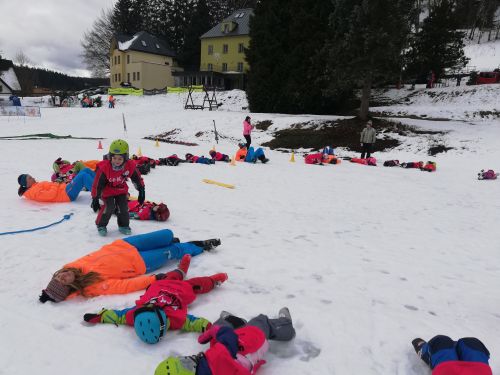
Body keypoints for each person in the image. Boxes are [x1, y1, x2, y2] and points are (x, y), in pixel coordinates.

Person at [39, 229, 221, 303]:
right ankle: (199, 246)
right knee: (174, 250)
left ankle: (166, 243)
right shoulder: (90, 286)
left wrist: (47, 293)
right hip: (140, 263)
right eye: (62, 282)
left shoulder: (71, 266)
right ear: (70, 287)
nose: (62, 277)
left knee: (167, 234)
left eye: (57, 276)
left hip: (126, 245)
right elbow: (123, 286)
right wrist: (152, 279)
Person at [82, 254, 228, 344]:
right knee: (197, 284)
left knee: (173, 275)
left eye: (147, 307)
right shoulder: (175, 319)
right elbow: (194, 323)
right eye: (153, 308)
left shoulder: (134, 314)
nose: (150, 306)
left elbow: (117, 316)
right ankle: (214, 281)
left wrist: (100, 316)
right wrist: (210, 328)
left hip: (162, 284)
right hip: (182, 290)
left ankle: (182, 269)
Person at [154, 307, 296, 374]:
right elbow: (228, 337)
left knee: (216, 338)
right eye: (184, 361)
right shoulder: (216, 357)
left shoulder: (208, 368)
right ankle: (285, 325)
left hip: (237, 356)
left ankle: (235, 321)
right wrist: (217, 331)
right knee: (260, 321)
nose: (186, 358)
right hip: (250, 345)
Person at [91, 139, 145, 236]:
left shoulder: (129, 166)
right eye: (114, 158)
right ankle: (101, 225)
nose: (116, 161)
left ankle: (123, 225)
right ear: (110, 156)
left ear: (125, 158)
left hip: (121, 189)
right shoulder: (105, 167)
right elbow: (97, 184)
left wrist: (141, 190)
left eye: (120, 159)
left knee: (123, 207)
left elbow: (137, 178)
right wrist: (95, 198)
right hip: (107, 190)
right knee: (109, 206)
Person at [412, 335, 492, 375]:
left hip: (447, 368)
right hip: (479, 369)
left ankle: (423, 349)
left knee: (441, 341)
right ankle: (457, 349)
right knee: (471, 342)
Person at [18, 168, 95, 203]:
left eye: (31, 176)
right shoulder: (33, 192)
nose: (33, 178)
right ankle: (100, 194)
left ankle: (103, 184)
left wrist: (58, 183)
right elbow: (50, 195)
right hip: (66, 194)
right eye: (30, 178)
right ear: (26, 184)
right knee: (83, 176)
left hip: (65, 189)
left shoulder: (35, 186)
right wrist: (56, 184)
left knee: (85, 170)